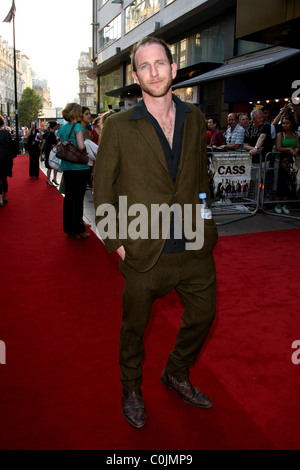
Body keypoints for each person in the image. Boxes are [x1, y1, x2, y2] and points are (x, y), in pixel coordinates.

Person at [93, 36, 218, 429]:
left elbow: (201, 178)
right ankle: (131, 386)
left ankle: (176, 372)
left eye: (160, 63)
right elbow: (103, 190)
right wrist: (117, 244)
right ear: (136, 76)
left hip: (193, 244)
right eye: (144, 66)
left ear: (173, 68)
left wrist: (205, 219)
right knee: (134, 326)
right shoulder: (118, 126)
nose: (153, 72)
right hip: (143, 249)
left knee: (204, 312)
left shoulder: (195, 118)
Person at [57, 103, 90, 240]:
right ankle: (79, 229)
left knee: (69, 198)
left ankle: (69, 228)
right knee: (78, 199)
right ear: (77, 113)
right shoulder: (77, 127)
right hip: (79, 167)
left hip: (67, 166)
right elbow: (81, 146)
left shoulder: (62, 128)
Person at [274, 115, 299, 214]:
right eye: (283, 123)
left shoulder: (295, 134)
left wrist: (296, 150)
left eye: (287, 123)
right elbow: (278, 147)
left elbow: (298, 146)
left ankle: (284, 203)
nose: (285, 125)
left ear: (291, 124)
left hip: (291, 163)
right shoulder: (280, 135)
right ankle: (277, 203)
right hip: (280, 162)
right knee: (278, 183)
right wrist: (289, 149)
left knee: (288, 182)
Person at [0, 115, 14, 206]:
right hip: (5, 158)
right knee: (4, 177)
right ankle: (5, 196)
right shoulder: (6, 132)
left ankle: (0, 197)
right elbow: (10, 146)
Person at [43, 121, 59, 186]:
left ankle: (50, 179)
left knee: (50, 165)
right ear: (54, 126)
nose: (57, 126)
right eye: (56, 125)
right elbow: (53, 144)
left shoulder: (47, 132)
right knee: (52, 165)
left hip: (47, 150)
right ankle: (49, 179)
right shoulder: (52, 134)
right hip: (51, 151)